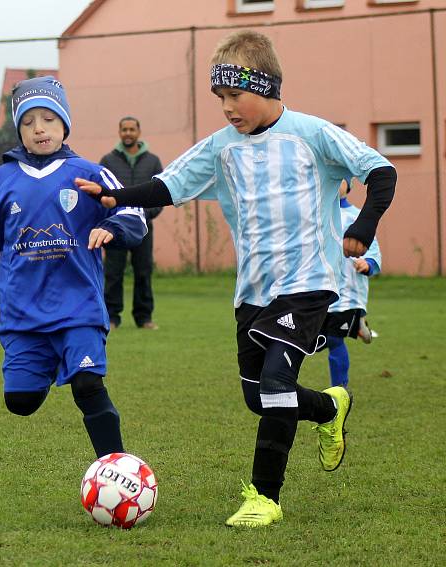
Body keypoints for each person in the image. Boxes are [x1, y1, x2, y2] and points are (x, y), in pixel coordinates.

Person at [75, 30, 396, 526]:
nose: (226, 107)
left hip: (310, 283)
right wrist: (119, 198)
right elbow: (170, 184)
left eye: (235, 95)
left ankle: (264, 495)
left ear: (266, 87)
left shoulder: (313, 134)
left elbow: (381, 171)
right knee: (258, 396)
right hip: (252, 290)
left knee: (274, 381)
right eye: (220, 97)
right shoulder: (222, 148)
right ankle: (331, 410)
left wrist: (364, 225)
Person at [0, 76, 147, 459]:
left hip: (79, 307)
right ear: (19, 130)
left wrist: (111, 227)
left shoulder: (90, 173)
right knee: (20, 401)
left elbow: (135, 214)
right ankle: (47, 363)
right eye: (28, 122)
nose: (38, 128)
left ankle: (118, 469)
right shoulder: (4, 178)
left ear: (64, 123)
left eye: (47, 118)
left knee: (88, 386)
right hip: (23, 313)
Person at [100, 117, 163, 330]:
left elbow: (161, 194)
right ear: (119, 132)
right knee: (113, 273)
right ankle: (111, 317)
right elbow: (102, 194)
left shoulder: (153, 161)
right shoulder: (108, 161)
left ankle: (144, 318)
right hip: (115, 227)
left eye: (132, 129)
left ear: (139, 132)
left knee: (143, 272)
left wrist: (142, 215)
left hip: (144, 227)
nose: (128, 133)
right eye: (124, 129)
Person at [322, 178, 382, 387]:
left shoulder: (357, 216)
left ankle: (340, 390)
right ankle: (357, 324)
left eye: (339, 179)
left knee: (334, 339)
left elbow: (373, 249)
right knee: (316, 340)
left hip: (348, 294)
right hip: (321, 290)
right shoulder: (317, 214)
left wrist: (368, 264)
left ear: (348, 185)